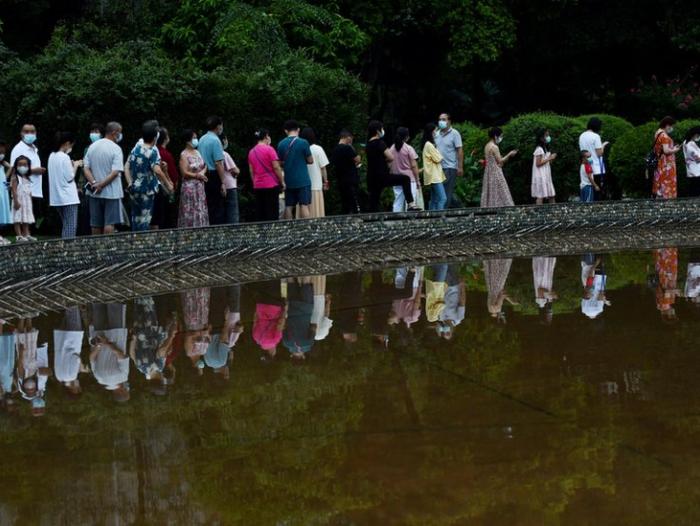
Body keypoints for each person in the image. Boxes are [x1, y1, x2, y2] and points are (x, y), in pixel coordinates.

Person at [125, 127, 173, 231]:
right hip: (147, 190)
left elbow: (127, 166)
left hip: (135, 189)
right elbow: (157, 170)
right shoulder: (152, 152)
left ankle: (135, 241)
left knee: (136, 218)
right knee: (145, 219)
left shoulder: (136, 149)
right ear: (155, 138)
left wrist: (129, 182)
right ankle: (144, 244)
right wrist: (168, 184)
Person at [365, 120, 419, 212]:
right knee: (405, 179)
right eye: (381, 128)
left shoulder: (368, 145)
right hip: (382, 175)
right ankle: (410, 204)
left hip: (371, 176)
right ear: (377, 131)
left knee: (374, 199)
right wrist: (383, 160)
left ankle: (370, 218)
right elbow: (390, 157)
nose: (382, 130)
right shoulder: (380, 143)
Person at [83, 121, 125, 234]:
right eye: (119, 133)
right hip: (112, 192)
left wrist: (94, 183)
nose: (120, 135)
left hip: (94, 192)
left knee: (95, 224)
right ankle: (107, 248)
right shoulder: (116, 148)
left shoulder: (92, 146)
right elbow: (115, 172)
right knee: (110, 223)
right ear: (114, 132)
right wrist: (101, 185)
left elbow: (86, 168)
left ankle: (96, 248)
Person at [88, 303, 130, 401]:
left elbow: (120, 355)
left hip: (116, 335)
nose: (128, 388)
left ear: (122, 391)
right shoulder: (99, 379)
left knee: (115, 304)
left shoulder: (123, 377)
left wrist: (106, 343)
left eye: (127, 390)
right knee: (97, 308)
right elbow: (92, 358)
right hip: (98, 336)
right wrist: (99, 345)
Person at [48, 131, 82, 238]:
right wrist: (76, 165)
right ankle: (68, 249)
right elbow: (70, 177)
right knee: (70, 227)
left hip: (56, 198)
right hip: (68, 198)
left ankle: (65, 249)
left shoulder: (52, 156)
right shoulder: (64, 157)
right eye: (71, 145)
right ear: (67, 143)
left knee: (65, 225)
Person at [277, 120, 313, 219]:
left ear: (285, 131)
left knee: (289, 206)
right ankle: (305, 229)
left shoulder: (281, 144)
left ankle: (290, 229)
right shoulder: (303, 142)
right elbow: (310, 160)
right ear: (298, 129)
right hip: (303, 179)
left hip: (289, 180)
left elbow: (279, 163)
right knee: (304, 205)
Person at [248, 128, 284, 221]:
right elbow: (276, 167)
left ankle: (262, 234)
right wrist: (282, 182)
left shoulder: (251, 152)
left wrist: (255, 182)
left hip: (258, 186)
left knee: (261, 213)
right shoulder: (270, 149)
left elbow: (251, 171)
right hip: (271, 185)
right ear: (266, 137)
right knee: (272, 213)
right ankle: (272, 234)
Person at [10, 123, 46, 211]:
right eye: (26, 131)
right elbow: (14, 170)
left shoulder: (35, 149)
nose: (30, 134)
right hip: (23, 193)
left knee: (33, 222)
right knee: (24, 223)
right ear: (21, 133)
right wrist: (34, 171)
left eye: (32, 132)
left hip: (36, 192)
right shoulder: (18, 149)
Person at [198, 116, 227, 225]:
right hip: (214, 175)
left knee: (207, 205)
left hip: (203, 174)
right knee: (217, 206)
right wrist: (223, 182)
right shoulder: (216, 140)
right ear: (218, 126)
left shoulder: (201, 139)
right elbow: (218, 163)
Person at [178, 129, 209, 228]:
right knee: (190, 209)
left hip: (199, 187)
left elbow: (205, 165)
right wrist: (197, 175)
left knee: (200, 208)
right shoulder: (184, 154)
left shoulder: (197, 152)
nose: (196, 140)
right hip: (189, 188)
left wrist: (202, 173)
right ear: (188, 140)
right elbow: (184, 173)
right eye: (194, 138)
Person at [53, 307, 86, 397]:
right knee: (67, 310)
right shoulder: (59, 377)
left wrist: (81, 367)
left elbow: (75, 358)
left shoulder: (72, 376)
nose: (79, 386)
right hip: (60, 337)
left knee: (73, 307)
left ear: (74, 390)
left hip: (72, 337)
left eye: (79, 388)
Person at [481, 127, 517, 208]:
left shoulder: (487, 146)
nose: (501, 138)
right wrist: (510, 154)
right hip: (495, 171)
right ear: (495, 136)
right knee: (501, 190)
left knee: (491, 190)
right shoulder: (494, 147)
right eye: (500, 136)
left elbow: (492, 160)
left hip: (488, 172)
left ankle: (491, 206)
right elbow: (500, 161)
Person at [434, 113, 464, 208]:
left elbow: (459, 150)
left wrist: (460, 167)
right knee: (439, 194)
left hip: (450, 167)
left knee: (447, 193)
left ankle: (443, 214)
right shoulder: (436, 134)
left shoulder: (455, 133)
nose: (441, 122)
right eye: (440, 119)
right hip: (437, 167)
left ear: (449, 121)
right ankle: (439, 213)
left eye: (444, 119)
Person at [389, 127, 421, 212]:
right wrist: (417, 180)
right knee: (410, 202)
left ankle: (395, 220)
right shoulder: (408, 148)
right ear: (406, 137)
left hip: (396, 178)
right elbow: (414, 165)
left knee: (398, 201)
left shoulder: (392, 148)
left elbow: (389, 164)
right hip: (410, 178)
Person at [300, 127, 330, 218]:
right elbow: (323, 168)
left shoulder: (300, 148)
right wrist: (326, 181)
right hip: (316, 185)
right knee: (317, 213)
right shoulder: (318, 149)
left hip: (302, 185)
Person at [253, 280, 286, 359]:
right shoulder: (256, 338)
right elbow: (255, 319)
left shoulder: (275, 340)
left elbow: (280, 323)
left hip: (274, 306)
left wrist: (285, 310)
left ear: (271, 353)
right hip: (261, 305)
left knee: (274, 280)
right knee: (263, 281)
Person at [283, 277, 315, 359]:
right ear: (291, 356)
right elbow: (283, 327)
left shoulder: (308, 344)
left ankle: (307, 266)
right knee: (291, 283)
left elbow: (314, 327)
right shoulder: (286, 343)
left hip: (306, 310)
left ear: (303, 357)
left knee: (306, 284)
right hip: (292, 310)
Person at [331, 130, 362, 214]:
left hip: (340, 178)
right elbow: (357, 160)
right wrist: (358, 155)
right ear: (348, 137)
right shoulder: (347, 148)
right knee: (353, 201)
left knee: (344, 202)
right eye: (351, 138)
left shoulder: (335, 149)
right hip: (350, 178)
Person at [153, 127, 179, 229]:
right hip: (165, 187)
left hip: (155, 187)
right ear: (165, 138)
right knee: (167, 215)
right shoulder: (165, 154)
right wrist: (172, 185)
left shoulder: (154, 150)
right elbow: (172, 174)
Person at [578, 117, 609, 200]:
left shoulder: (581, 136)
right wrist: (603, 146)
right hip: (596, 168)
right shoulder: (596, 136)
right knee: (597, 193)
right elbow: (599, 153)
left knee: (588, 192)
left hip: (585, 167)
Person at [653, 116, 681, 199]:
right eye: (671, 126)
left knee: (660, 180)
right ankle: (668, 200)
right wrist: (675, 150)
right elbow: (666, 151)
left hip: (660, 161)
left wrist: (671, 148)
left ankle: (660, 197)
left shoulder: (658, 133)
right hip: (667, 163)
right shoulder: (664, 136)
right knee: (667, 181)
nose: (672, 128)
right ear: (667, 125)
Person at [421, 123, 447, 210]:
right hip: (434, 176)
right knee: (442, 198)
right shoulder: (429, 145)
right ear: (431, 132)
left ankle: (431, 219)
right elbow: (438, 159)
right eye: (435, 130)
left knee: (434, 199)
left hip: (432, 175)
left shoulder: (427, 144)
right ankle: (439, 219)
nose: (436, 132)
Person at [10, 156, 36, 242]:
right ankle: (19, 236)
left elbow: (29, 191)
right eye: (20, 164)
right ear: (16, 166)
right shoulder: (15, 177)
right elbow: (13, 190)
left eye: (25, 165)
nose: (22, 166)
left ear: (28, 166)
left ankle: (26, 234)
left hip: (27, 202)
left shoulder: (27, 178)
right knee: (17, 218)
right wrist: (16, 201)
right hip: (18, 200)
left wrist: (31, 201)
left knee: (26, 218)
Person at [531, 128, 557, 204]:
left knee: (551, 194)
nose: (548, 137)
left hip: (546, 174)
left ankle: (554, 213)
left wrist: (551, 158)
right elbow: (538, 163)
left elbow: (548, 162)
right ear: (541, 138)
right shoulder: (539, 149)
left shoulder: (545, 148)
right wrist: (550, 158)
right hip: (540, 175)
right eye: (546, 135)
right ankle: (538, 213)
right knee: (540, 195)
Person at [220, 134, 240, 224]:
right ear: (223, 141)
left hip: (220, 185)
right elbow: (235, 170)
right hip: (230, 185)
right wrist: (237, 171)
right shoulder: (224, 154)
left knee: (222, 211)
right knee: (232, 211)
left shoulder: (213, 153)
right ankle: (234, 231)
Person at [533, 257, 558, 323]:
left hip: (541, 278)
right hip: (547, 279)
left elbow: (540, 290)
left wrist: (551, 294)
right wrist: (553, 294)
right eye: (550, 318)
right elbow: (550, 292)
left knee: (542, 261)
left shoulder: (541, 304)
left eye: (549, 318)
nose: (550, 316)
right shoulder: (549, 304)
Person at [0, 140, 12, 245]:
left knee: (2, 214)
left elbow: (4, 180)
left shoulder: (2, 167)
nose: (1, 155)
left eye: (3, 153)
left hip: (2, 194)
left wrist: (10, 167)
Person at [682, 126, 700, 197]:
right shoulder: (690, 144)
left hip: (691, 169)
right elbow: (697, 157)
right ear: (694, 134)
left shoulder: (685, 142)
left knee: (693, 188)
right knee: (696, 190)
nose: (698, 137)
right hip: (696, 170)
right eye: (698, 135)